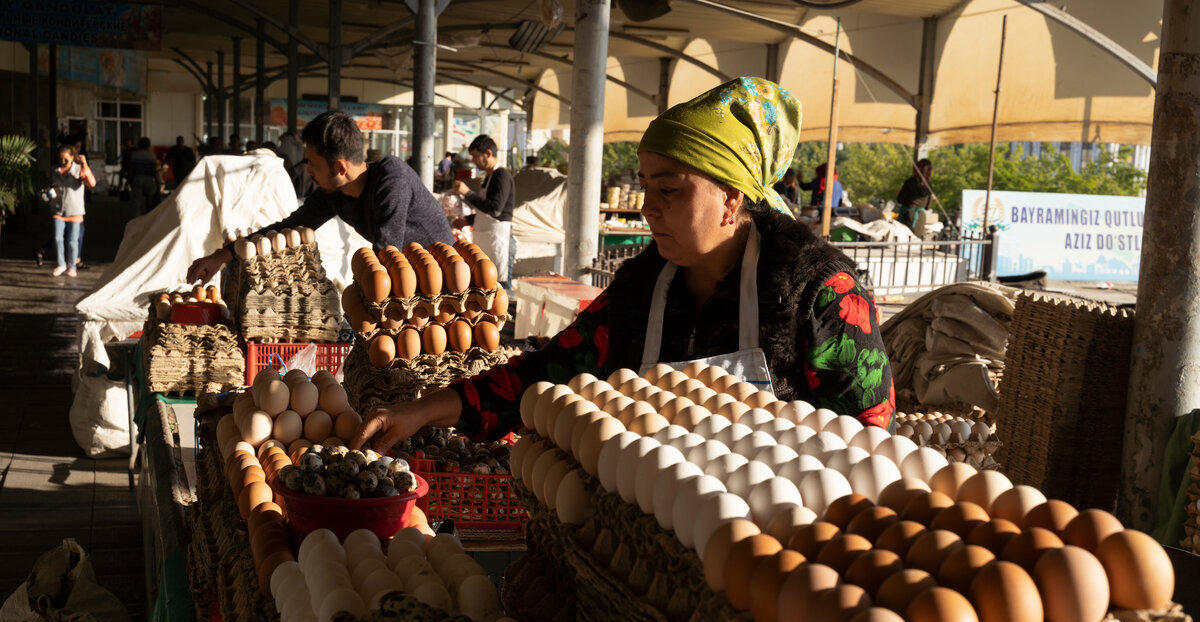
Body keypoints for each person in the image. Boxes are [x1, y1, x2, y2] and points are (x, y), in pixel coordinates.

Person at [352, 77, 894, 454]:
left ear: (732, 199)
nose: (648, 207)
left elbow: (864, 444)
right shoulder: (645, 289)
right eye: (646, 187)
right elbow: (547, 371)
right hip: (647, 542)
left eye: (670, 190)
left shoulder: (819, 295)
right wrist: (422, 410)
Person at [188, 110, 452, 283]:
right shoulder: (333, 193)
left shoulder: (392, 181)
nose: (307, 170)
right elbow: (287, 227)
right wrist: (220, 256)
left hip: (444, 278)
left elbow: (386, 253)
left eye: (312, 163)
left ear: (339, 167)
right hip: (408, 278)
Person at [452, 135, 515, 289]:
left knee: (498, 289)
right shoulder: (488, 177)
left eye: (475, 156)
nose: (473, 160)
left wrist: (467, 193)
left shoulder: (501, 176)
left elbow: (495, 208)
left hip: (498, 240)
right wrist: (468, 220)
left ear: (487, 153)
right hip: (486, 238)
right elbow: (485, 209)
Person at [47, 144, 96, 277]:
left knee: (72, 241)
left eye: (66, 160)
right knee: (57, 238)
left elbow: (92, 183)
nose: (62, 162)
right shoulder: (55, 170)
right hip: (58, 209)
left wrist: (85, 164)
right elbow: (50, 185)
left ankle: (72, 266)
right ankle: (61, 264)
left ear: (73, 158)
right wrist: (47, 194)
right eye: (60, 159)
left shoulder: (79, 170)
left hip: (75, 210)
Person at [897, 158, 933, 232]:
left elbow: (900, 199)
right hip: (920, 218)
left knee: (905, 239)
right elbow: (928, 206)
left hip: (907, 216)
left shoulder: (909, 182)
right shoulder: (929, 186)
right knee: (917, 240)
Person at [129, 137, 160, 217]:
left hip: (137, 178)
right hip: (148, 179)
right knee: (149, 201)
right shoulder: (151, 155)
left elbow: (132, 169)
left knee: (136, 203)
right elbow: (154, 171)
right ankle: (148, 220)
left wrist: (129, 180)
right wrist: (157, 183)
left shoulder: (135, 155)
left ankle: (135, 220)